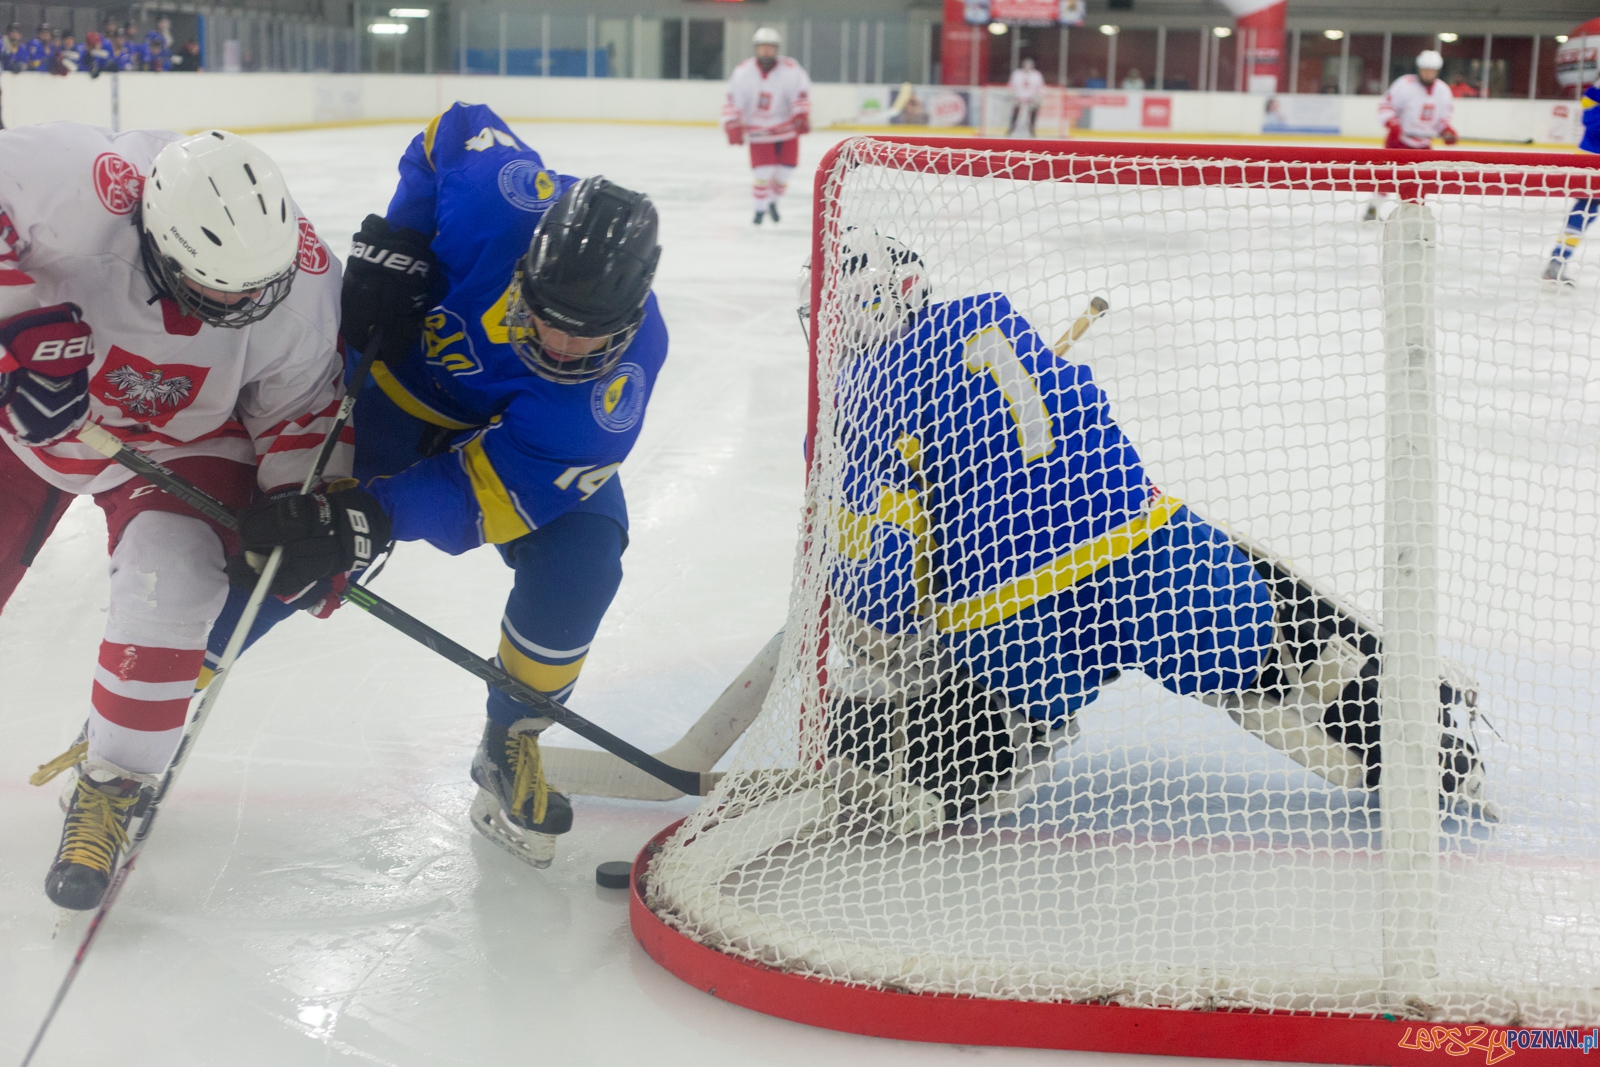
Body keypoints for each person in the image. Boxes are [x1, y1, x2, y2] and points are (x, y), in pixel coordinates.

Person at [802, 231, 1493, 832]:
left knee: (985, 701)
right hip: (1143, 550)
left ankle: (913, 778)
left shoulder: (858, 399)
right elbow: (1085, 403)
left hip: (1007, 614)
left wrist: (891, 624)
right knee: (1277, 654)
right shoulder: (993, 321)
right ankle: (1433, 758)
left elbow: (886, 576)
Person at [216, 103, 669, 870]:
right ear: (526, 263)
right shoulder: (502, 201)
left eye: (584, 334)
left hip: (493, 446)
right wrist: (404, 239)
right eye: (547, 315)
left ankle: (510, 736)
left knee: (584, 560)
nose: (559, 344)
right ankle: (139, 722)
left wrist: (371, 514)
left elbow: (491, 490)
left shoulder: (615, 388)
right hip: (384, 393)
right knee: (278, 559)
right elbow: (451, 129)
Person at [1, 125, 357, 910]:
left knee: (176, 589)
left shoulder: (302, 281)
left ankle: (114, 780)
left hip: (185, 440)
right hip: (30, 426)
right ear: (152, 239)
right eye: (210, 285)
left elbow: (300, 408)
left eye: (250, 291)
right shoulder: (79, 183)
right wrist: (7, 336)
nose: (236, 305)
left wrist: (309, 507)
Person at [722, 27, 812, 226]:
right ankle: (759, 210)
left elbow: (801, 92)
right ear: (756, 48)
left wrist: (801, 114)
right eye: (762, 47)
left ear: (776, 49)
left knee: (785, 172)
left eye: (770, 47)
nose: (766, 51)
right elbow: (732, 99)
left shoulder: (790, 68)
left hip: (786, 131)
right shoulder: (743, 71)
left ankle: (773, 202)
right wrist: (732, 123)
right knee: (763, 173)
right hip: (759, 131)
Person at [1363, 50, 1457, 221]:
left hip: (1423, 146)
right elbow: (1386, 107)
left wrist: (1446, 131)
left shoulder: (1443, 90)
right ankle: (1373, 209)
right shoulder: (1404, 84)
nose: (1428, 73)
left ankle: (1411, 217)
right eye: (1425, 69)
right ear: (1419, 69)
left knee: (1419, 183)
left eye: (1432, 70)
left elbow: (1443, 119)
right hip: (1398, 142)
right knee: (1387, 178)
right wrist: (1393, 124)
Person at [1543, 74, 1600, 282]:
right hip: (1592, 164)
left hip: (1591, 162)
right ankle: (1558, 259)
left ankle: (1558, 259)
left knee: (1586, 212)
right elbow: (1592, 122)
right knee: (1585, 211)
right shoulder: (1594, 95)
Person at [1007, 56, 1045, 137]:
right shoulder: (1017, 73)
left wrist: (1038, 97)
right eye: (1026, 64)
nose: (1027, 66)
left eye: (1029, 65)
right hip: (1018, 97)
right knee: (1015, 112)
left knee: (1033, 113)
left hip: (1031, 98)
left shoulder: (1036, 74)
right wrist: (1013, 96)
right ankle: (1011, 129)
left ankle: (1032, 130)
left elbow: (1040, 87)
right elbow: (1011, 85)